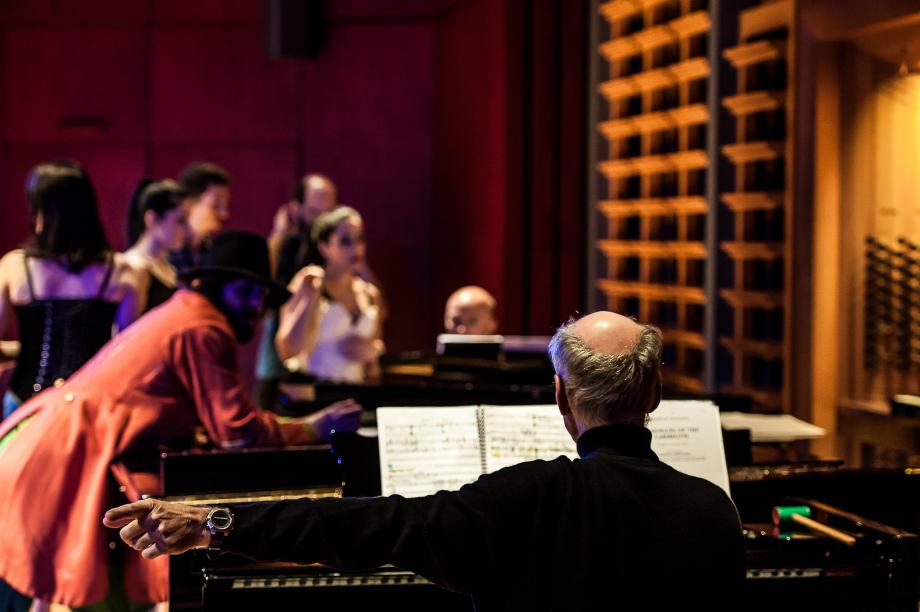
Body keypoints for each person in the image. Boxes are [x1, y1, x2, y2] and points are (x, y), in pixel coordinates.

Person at [105, 311, 746, 611]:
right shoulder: (714, 512)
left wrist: (215, 521)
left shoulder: (530, 497)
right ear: (656, 394)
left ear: (559, 395)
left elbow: (362, 524)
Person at [0, 231, 361, 610]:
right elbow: (238, 433)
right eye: (245, 291)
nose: (256, 304)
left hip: (46, 438)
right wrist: (309, 428)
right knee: (70, 592)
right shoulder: (204, 327)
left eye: (261, 294)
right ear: (214, 284)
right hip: (65, 452)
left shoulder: (185, 309)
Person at [0, 161, 139, 418]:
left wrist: (24, 350)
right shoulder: (119, 271)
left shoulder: (15, 267)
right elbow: (128, 355)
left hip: (26, 405)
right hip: (93, 407)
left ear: (42, 212)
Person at [255, 173, 339, 407]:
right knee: (272, 397)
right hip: (282, 330)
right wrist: (279, 233)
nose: (321, 221)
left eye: (328, 213)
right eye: (314, 212)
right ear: (297, 208)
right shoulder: (290, 243)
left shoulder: (338, 244)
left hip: (323, 346)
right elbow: (262, 276)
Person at [275, 206, 384, 384]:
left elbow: (376, 348)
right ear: (324, 247)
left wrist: (373, 351)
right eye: (345, 241)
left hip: (356, 392)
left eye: (360, 239)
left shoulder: (370, 293)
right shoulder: (310, 282)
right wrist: (309, 299)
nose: (356, 248)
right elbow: (287, 351)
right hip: (315, 391)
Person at [123, 179, 188, 314]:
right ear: (152, 219)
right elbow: (128, 333)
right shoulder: (133, 266)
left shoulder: (170, 268)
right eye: (180, 220)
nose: (186, 229)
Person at [169, 162, 230, 273]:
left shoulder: (211, 254)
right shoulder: (165, 260)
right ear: (187, 205)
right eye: (216, 205)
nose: (224, 214)